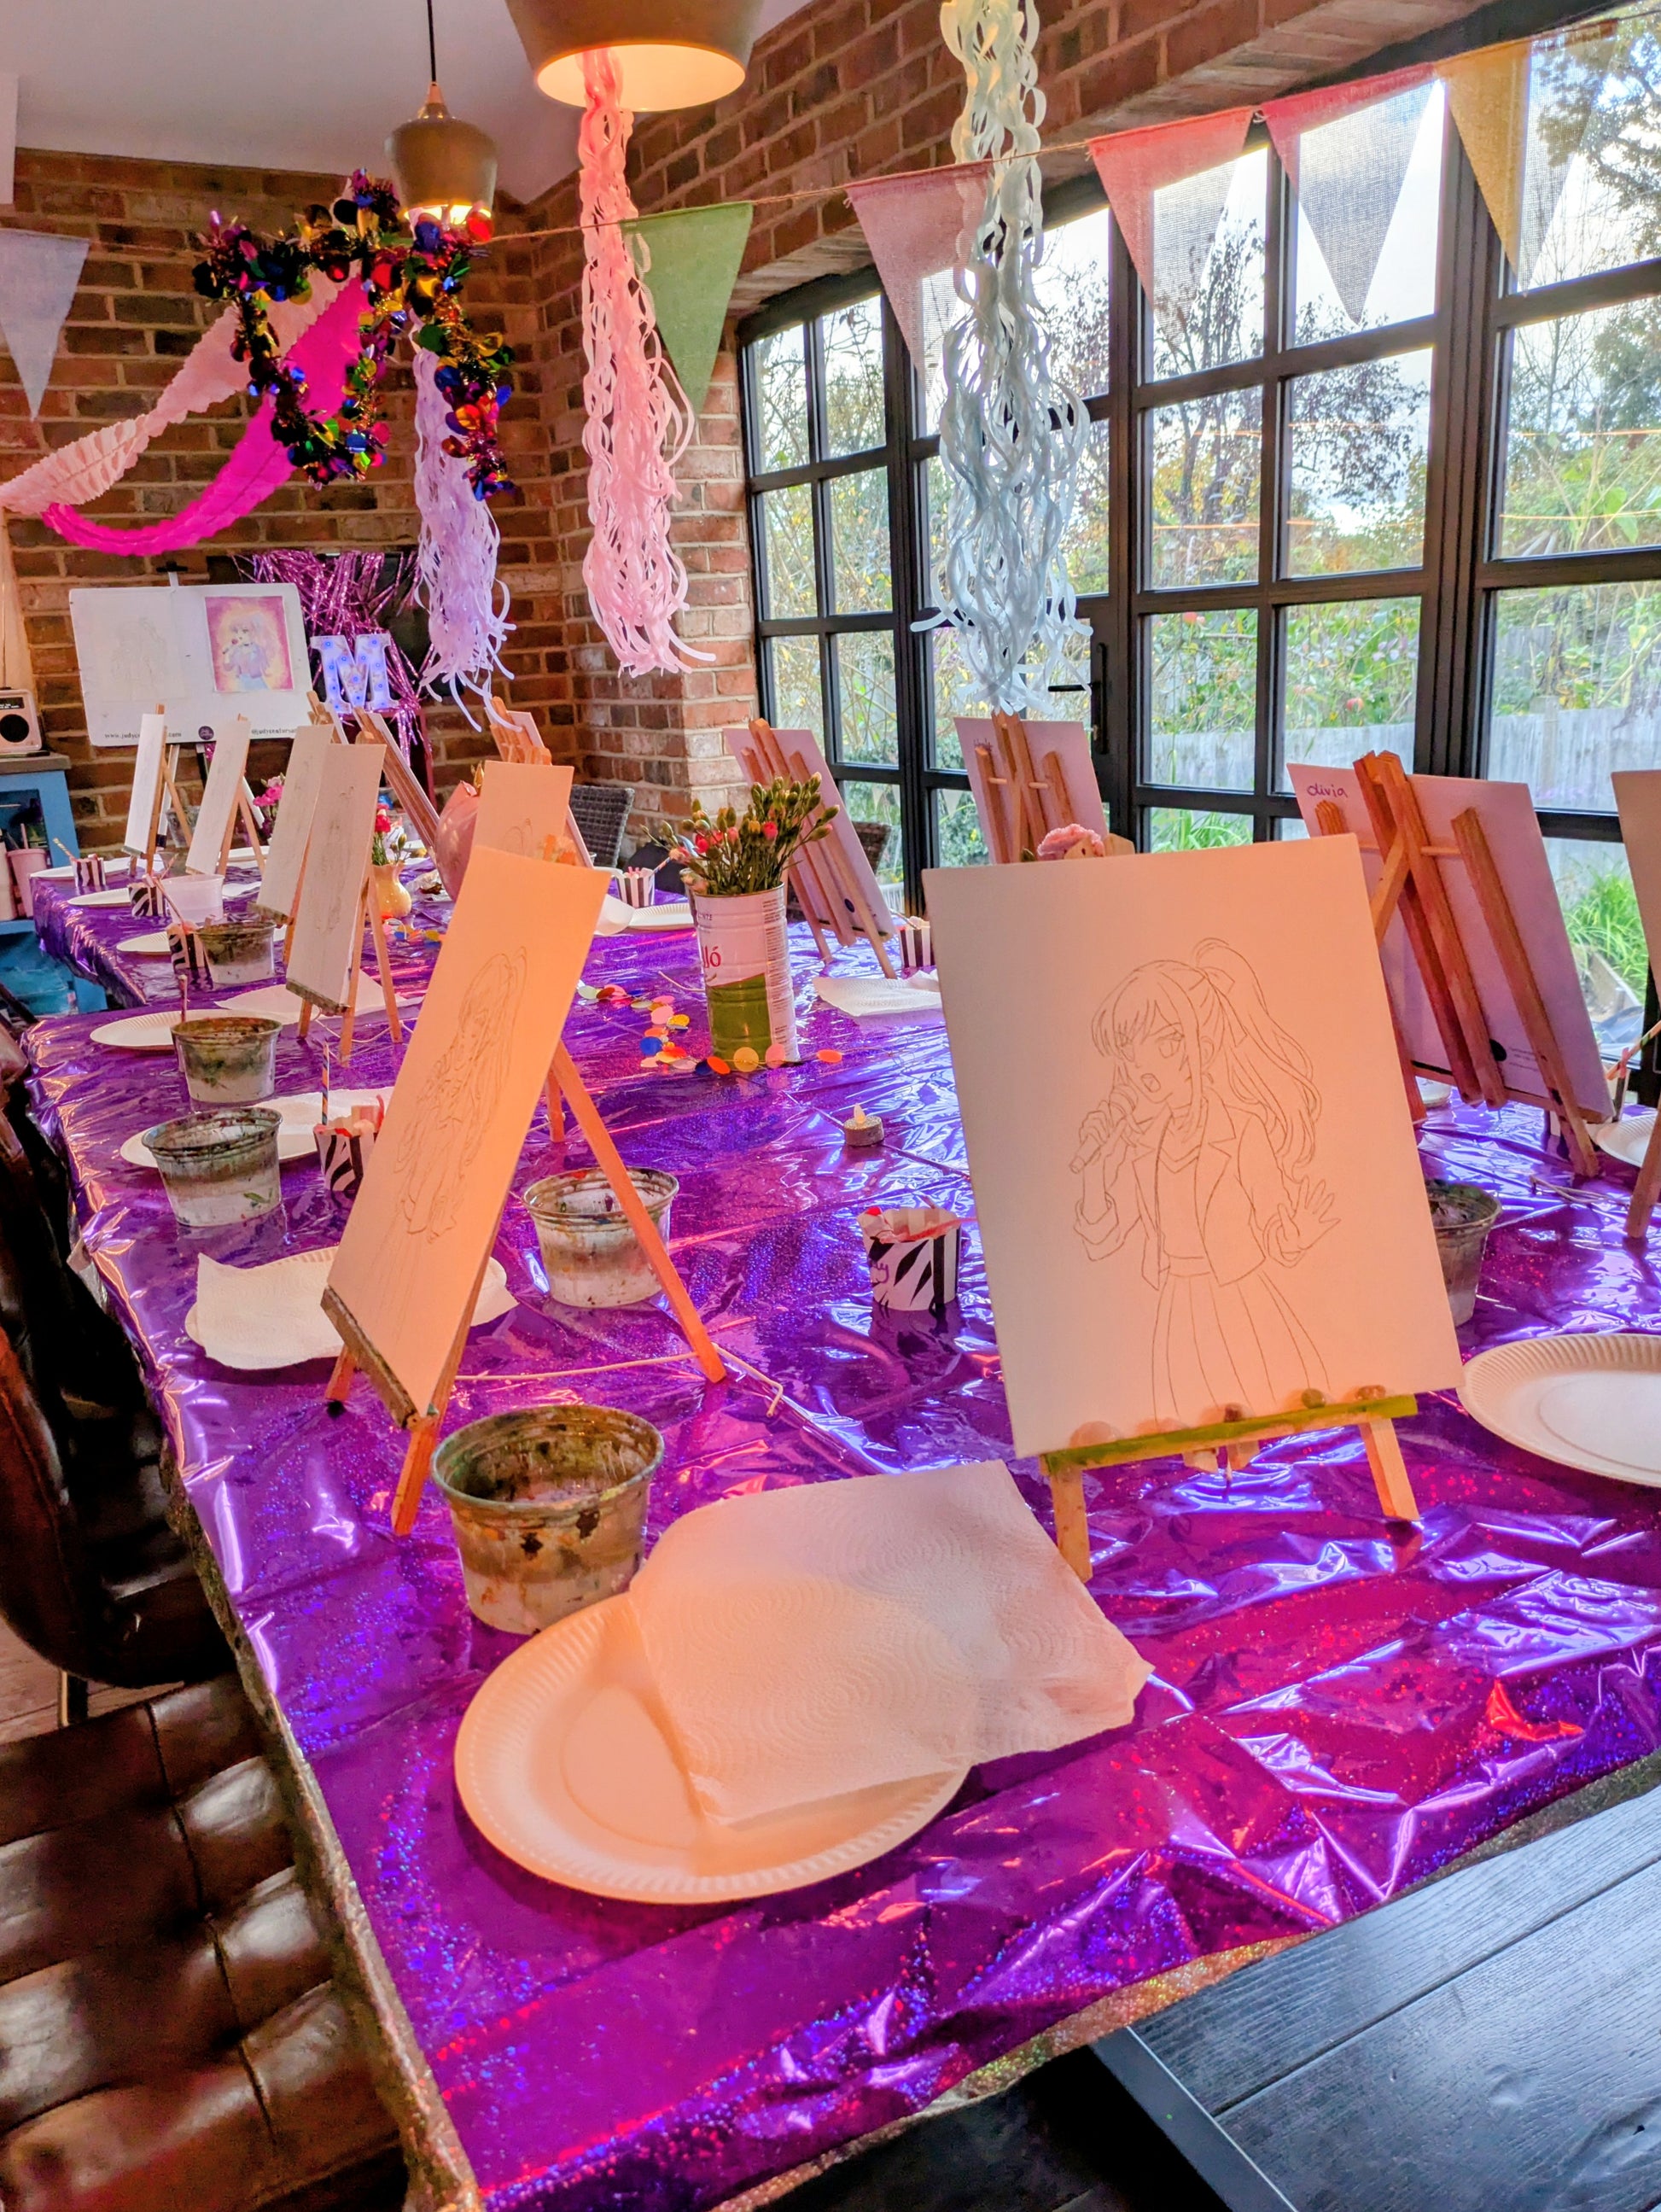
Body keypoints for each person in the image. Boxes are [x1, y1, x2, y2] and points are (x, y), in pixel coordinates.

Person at [1072, 939, 1336, 1427]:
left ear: (1199, 1046)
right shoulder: (1144, 1142)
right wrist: (1094, 1167)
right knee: (1186, 1424)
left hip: (1239, 1301)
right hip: (1178, 1308)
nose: (1139, 1066)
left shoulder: (1243, 1130)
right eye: (1128, 1051)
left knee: (1261, 1411)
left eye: (1159, 1043)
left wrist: (1297, 1233)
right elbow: (1102, 1236)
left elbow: (1274, 1226)